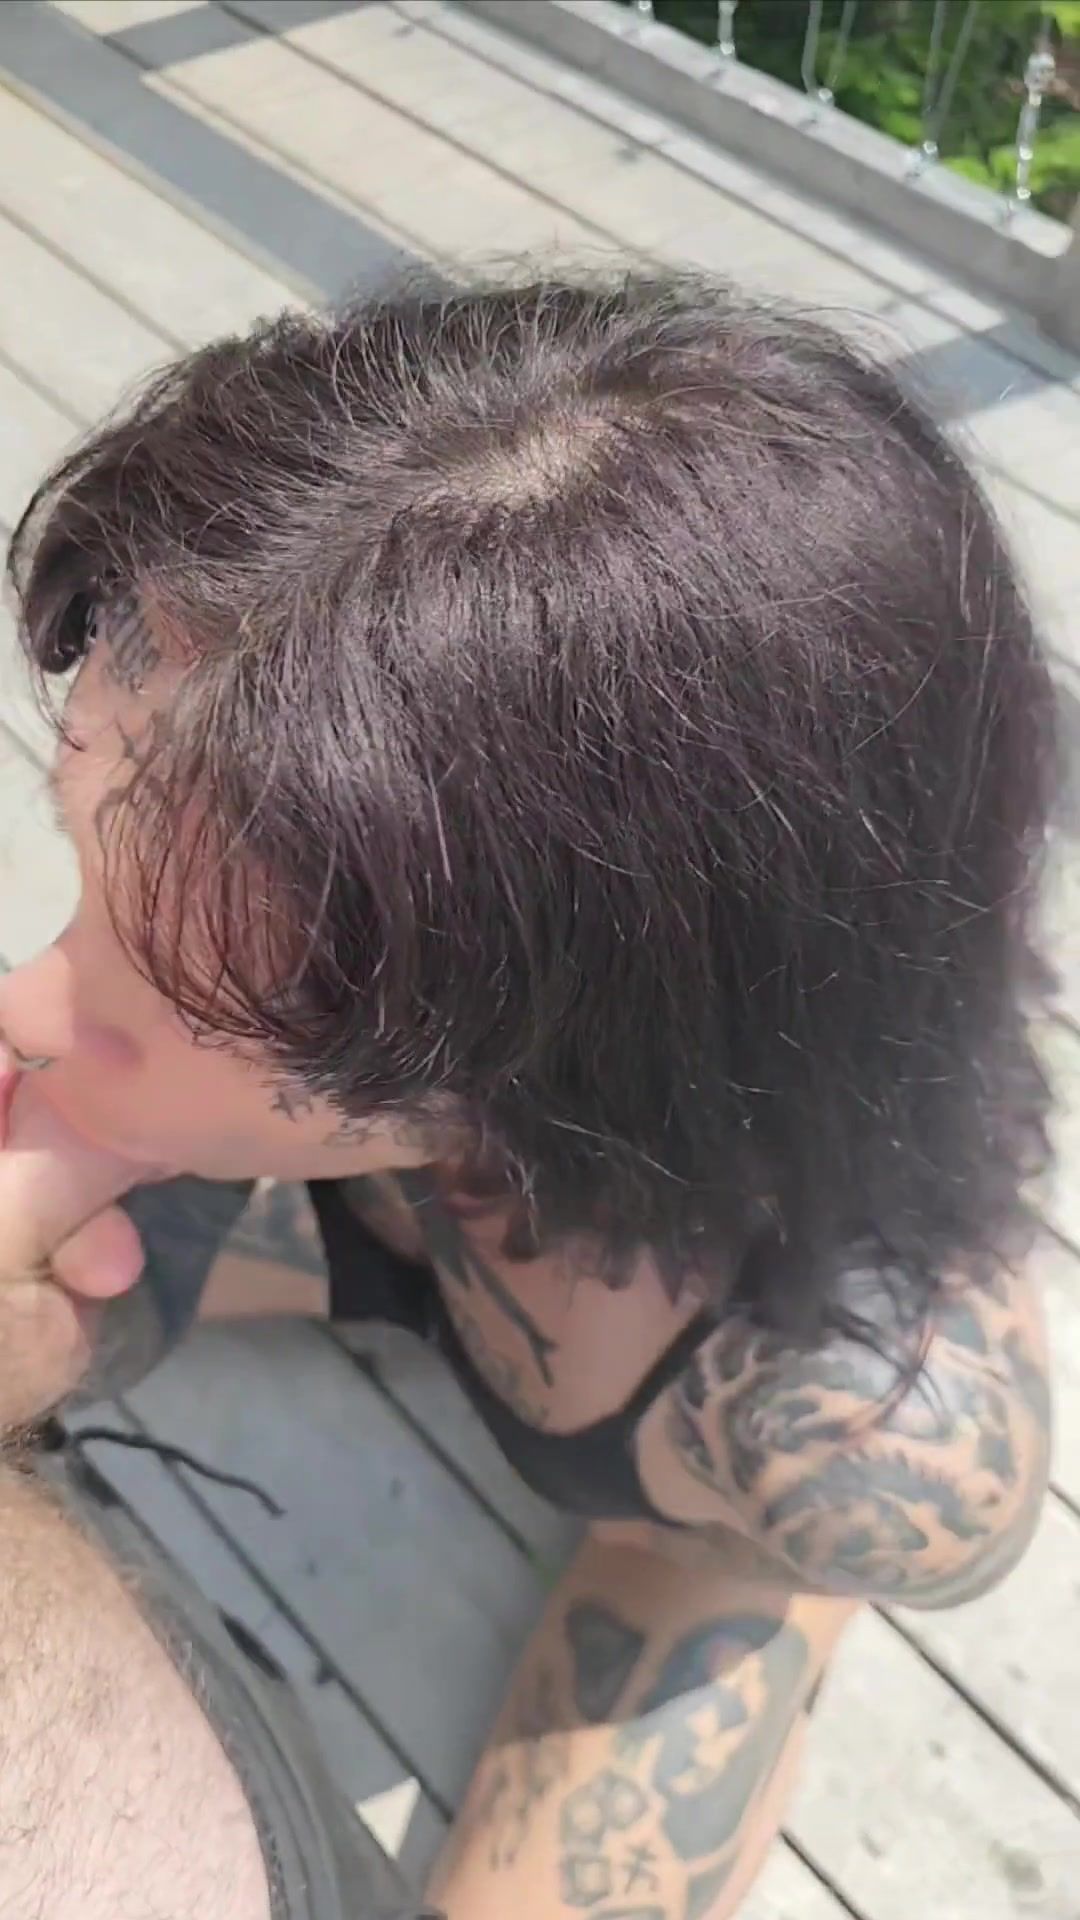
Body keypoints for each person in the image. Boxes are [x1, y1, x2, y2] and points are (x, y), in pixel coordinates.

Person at [0, 272, 1055, 1920]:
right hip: (347, 1186)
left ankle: (708, 1553)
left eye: (220, 991)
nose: (30, 1000)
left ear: (615, 1025)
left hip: (660, 1413)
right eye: (86, 865)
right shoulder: (359, 1034)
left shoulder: (855, 1424)